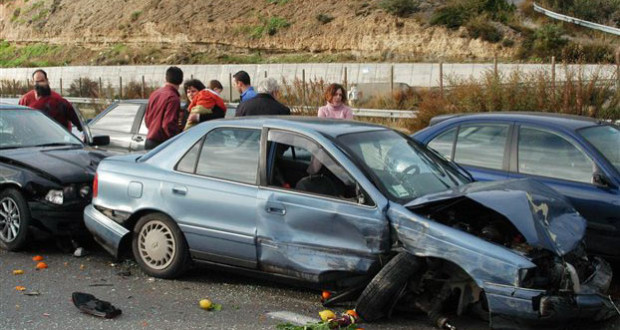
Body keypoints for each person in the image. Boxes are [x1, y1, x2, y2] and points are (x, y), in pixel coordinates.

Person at [144, 66, 184, 150]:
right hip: (163, 144)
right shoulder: (173, 98)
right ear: (181, 81)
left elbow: (147, 119)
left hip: (149, 140)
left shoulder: (155, 93)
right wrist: (176, 140)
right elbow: (168, 124)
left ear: (166, 78)